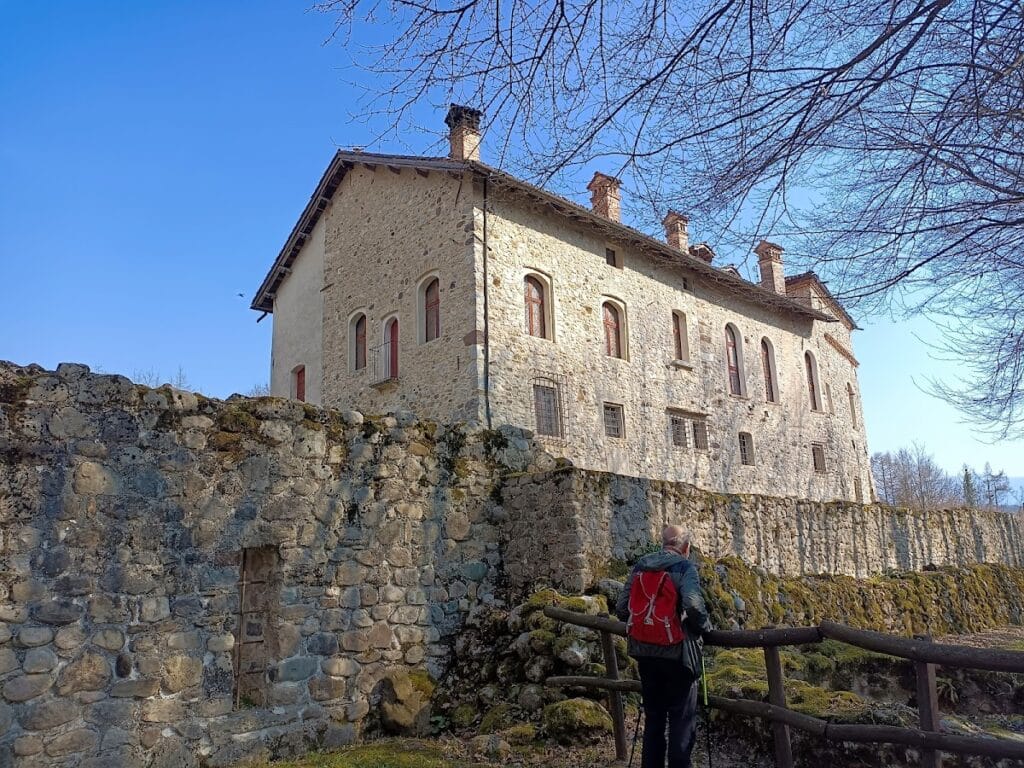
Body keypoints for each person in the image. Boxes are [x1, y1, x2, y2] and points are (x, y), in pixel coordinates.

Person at [615, 526, 712, 768]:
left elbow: (622, 607)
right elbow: (692, 603)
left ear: (662, 543)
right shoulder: (685, 567)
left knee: (654, 720)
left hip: (644, 652)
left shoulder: (641, 566)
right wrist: (703, 626)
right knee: (681, 719)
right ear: (686, 547)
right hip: (676, 655)